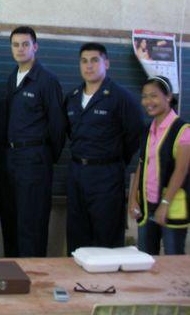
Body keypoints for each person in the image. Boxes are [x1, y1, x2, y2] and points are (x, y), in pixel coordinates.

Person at [65, 42, 143, 254]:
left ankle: (107, 286)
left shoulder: (120, 97)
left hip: (106, 175)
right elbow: (71, 133)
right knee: (77, 236)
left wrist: (114, 160)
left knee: (106, 237)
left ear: (106, 63)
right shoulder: (72, 98)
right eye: (84, 61)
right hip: (77, 173)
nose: (88, 66)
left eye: (94, 60)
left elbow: (134, 135)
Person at [1, 26, 66, 258]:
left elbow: (58, 127)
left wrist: (44, 157)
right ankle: (14, 276)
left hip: (34, 160)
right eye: (16, 45)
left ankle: (34, 278)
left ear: (35, 47)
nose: (20, 49)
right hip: (11, 160)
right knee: (11, 221)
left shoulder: (47, 81)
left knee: (32, 223)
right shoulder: (12, 78)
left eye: (25, 44)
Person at [128, 76, 189, 254]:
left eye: (153, 96)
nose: (148, 102)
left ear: (168, 96)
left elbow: (181, 170)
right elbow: (142, 164)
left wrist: (165, 203)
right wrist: (133, 198)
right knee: (146, 258)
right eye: (144, 96)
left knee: (172, 261)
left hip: (171, 205)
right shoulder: (149, 129)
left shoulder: (183, 130)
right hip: (147, 205)